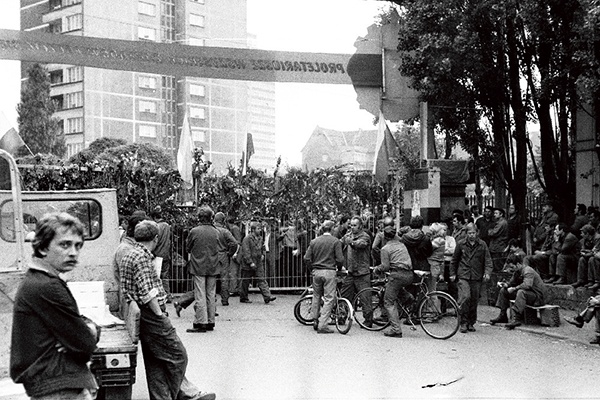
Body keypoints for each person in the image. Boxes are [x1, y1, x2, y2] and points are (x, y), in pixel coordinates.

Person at [119, 220, 215, 399]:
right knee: (179, 355)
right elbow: (148, 293)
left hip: (140, 313)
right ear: (155, 238)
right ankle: (182, 394)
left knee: (156, 361)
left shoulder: (129, 254)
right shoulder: (142, 257)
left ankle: (165, 397)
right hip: (151, 314)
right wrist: (160, 315)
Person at [10, 212, 100, 400]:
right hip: (59, 386)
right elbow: (85, 343)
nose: (73, 252)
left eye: (78, 246)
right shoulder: (47, 286)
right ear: (42, 248)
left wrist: (85, 329)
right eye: (64, 244)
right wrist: (86, 331)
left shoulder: (39, 280)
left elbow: (80, 332)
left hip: (55, 383)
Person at [303, 220, 344, 334]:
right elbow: (340, 259)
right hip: (329, 272)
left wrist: (312, 269)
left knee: (316, 296)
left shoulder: (314, 241)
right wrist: (339, 269)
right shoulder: (335, 241)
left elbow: (306, 258)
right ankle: (323, 324)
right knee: (329, 298)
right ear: (331, 229)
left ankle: (315, 320)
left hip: (317, 272)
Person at [450, 223, 492, 333]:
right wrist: (452, 273)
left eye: (473, 233)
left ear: (477, 233)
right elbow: (454, 260)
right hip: (463, 274)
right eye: (469, 233)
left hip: (476, 276)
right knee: (465, 297)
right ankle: (463, 322)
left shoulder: (482, 245)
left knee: (474, 300)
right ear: (466, 233)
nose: (471, 235)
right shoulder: (461, 244)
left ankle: (471, 322)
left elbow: (488, 261)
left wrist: (487, 273)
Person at [186, 206, 222, 333]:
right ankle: (211, 321)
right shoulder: (216, 231)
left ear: (199, 218)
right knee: (211, 294)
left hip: (198, 265)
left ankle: (201, 322)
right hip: (213, 265)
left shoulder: (194, 231)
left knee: (200, 294)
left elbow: (188, 247)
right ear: (211, 217)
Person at [373, 226, 413, 338]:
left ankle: (396, 329)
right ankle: (408, 298)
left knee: (388, 301)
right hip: (409, 275)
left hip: (397, 275)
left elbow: (385, 267)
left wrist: (377, 269)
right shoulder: (402, 245)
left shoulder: (385, 249)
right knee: (395, 288)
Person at [490, 252, 547, 330]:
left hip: (538, 297)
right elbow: (511, 282)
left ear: (517, 264)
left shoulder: (528, 270)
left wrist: (514, 288)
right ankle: (503, 315)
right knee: (504, 291)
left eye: (512, 267)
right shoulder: (517, 272)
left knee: (521, 292)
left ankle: (516, 318)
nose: (511, 269)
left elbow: (527, 285)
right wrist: (505, 285)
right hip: (529, 294)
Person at [340, 216, 373, 327]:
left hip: (362, 273)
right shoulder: (348, 235)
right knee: (345, 295)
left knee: (365, 298)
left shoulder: (365, 236)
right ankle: (342, 317)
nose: (352, 227)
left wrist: (352, 243)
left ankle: (368, 320)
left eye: (355, 225)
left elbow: (361, 244)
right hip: (351, 272)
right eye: (351, 225)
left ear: (360, 226)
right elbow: (340, 243)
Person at [240, 221, 276, 304]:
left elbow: (262, 247)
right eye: (258, 229)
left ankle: (267, 296)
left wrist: (262, 254)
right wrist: (250, 262)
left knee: (261, 279)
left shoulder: (260, 238)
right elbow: (246, 251)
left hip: (258, 262)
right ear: (253, 230)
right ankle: (243, 297)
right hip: (248, 264)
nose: (260, 230)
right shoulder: (247, 239)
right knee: (245, 281)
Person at [214, 212, 238, 307]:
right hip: (223, 255)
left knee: (212, 278)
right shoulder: (225, 231)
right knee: (224, 278)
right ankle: (225, 299)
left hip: (212, 255)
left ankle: (212, 299)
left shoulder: (211, 230)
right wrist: (230, 253)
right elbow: (234, 243)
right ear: (223, 221)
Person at [150, 206, 173, 303]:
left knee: (156, 277)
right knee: (165, 276)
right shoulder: (167, 226)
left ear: (154, 217)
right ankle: (168, 295)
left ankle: (159, 296)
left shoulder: (156, 226)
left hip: (157, 254)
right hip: (166, 253)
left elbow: (155, 241)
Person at [427, 222, 446, 292]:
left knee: (432, 290)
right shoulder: (441, 240)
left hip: (433, 266)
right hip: (435, 266)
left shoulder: (438, 241)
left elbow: (428, 248)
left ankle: (434, 303)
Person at [488, 207, 509, 272]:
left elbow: (493, 233)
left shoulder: (501, 223)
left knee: (497, 264)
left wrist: (490, 231)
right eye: (494, 213)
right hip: (497, 245)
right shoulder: (500, 222)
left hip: (498, 246)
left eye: (496, 213)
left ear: (501, 214)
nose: (494, 214)